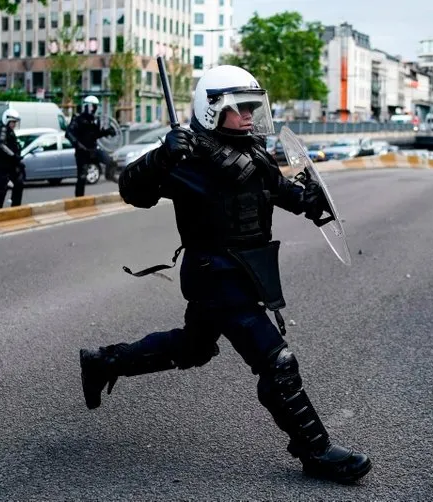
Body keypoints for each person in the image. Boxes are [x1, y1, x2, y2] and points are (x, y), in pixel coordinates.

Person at [77, 65, 372, 484]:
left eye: (253, 107)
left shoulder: (252, 152)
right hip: (214, 276)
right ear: (213, 110)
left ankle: (103, 362)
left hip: (245, 273)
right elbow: (131, 190)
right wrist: (160, 156)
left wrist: (309, 201)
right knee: (277, 360)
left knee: (194, 348)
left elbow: (277, 191)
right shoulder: (187, 157)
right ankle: (316, 451)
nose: (250, 116)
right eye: (241, 109)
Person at [65, 95, 117, 197]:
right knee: (82, 176)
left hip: (94, 149)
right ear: (86, 106)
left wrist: (107, 132)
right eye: (92, 106)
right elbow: (69, 133)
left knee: (110, 161)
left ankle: (109, 175)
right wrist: (78, 145)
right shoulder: (78, 119)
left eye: (95, 106)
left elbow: (95, 135)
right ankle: (79, 199)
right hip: (82, 152)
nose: (94, 109)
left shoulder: (95, 120)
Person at [0, 108, 24, 209]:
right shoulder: (3, 129)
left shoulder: (9, 131)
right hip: (2, 165)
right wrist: (14, 156)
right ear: (7, 120)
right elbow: (2, 145)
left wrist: (17, 160)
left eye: (15, 122)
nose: (14, 124)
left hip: (10, 164)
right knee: (2, 187)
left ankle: (16, 208)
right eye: (12, 122)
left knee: (19, 183)